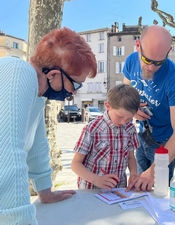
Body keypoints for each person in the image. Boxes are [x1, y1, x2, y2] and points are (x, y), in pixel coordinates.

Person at [0, 27, 97, 224]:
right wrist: (21, 220)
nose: (75, 93)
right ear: (53, 74)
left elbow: (37, 146)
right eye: (75, 84)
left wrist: (45, 191)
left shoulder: (37, 97)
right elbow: (7, 154)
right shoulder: (18, 70)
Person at [123, 25, 175, 191]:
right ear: (138, 46)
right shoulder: (131, 61)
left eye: (158, 62)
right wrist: (133, 108)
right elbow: (126, 93)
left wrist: (156, 169)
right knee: (137, 190)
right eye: (147, 60)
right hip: (140, 137)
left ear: (169, 51)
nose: (151, 67)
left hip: (163, 146)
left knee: (159, 194)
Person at [71, 84, 141, 190]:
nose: (123, 122)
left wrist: (134, 174)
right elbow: (75, 164)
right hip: (92, 189)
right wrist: (96, 179)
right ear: (108, 106)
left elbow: (131, 157)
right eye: (120, 116)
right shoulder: (92, 129)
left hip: (118, 188)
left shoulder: (130, 129)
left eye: (129, 119)